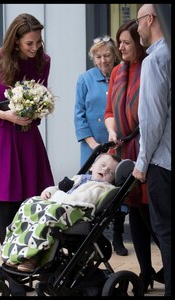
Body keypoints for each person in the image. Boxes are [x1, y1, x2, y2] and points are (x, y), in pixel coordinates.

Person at [0, 13, 54, 246]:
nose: (35, 47)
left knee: (32, 203)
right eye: (29, 43)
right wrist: (5, 115)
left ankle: (27, 259)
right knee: (8, 206)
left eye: (38, 41)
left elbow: (42, 93)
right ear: (16, 40)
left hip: (29, 140)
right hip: (2, 139)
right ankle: (10, 266)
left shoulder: (43, 61)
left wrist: (37, 110)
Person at [104, 19, 164, 293]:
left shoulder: (150, 66)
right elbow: (108, 112)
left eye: (126, 42)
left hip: (149, 150)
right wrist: (112, 130)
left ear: (139, 43)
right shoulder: (117, 71)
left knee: (154, 216)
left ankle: (166, 268)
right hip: (125, 151)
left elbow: (153, 114)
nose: (121, 47)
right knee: (136, 213)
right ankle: (145, 270)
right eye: (120, 42)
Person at [1, 153, 121, 272]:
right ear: (92, 166)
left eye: (110, 172)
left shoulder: (102, 188)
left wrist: (56, 197)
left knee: (50, 214)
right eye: (102, 165)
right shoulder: (79, 179)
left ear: (112, 179)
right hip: (59, 204)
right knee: (28, 204)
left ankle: (33, 256)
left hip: (76, 212)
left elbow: (81, 200)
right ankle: (15, 251)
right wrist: (48, 192)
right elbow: (58, 188)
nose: (105, 170)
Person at [74, 36, 128, 256]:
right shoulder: (85, 79)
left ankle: (117, 236)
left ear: (113, 55)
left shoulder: (121, 74)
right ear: (93, 58)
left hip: (118, 142)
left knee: (119, 187)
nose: (104, 60)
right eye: (99, 57)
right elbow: (79, 116)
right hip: (92, 145)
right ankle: (96, 236)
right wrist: (94, 144)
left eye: (107, 55)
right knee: (94, 187)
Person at [132, 4, 171, 296]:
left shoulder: (155, 60)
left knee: (167, 233)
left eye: (138, 22)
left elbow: (152, 120)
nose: (137, 29)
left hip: (163, 163)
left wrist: (142, 164)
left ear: (150, 19)